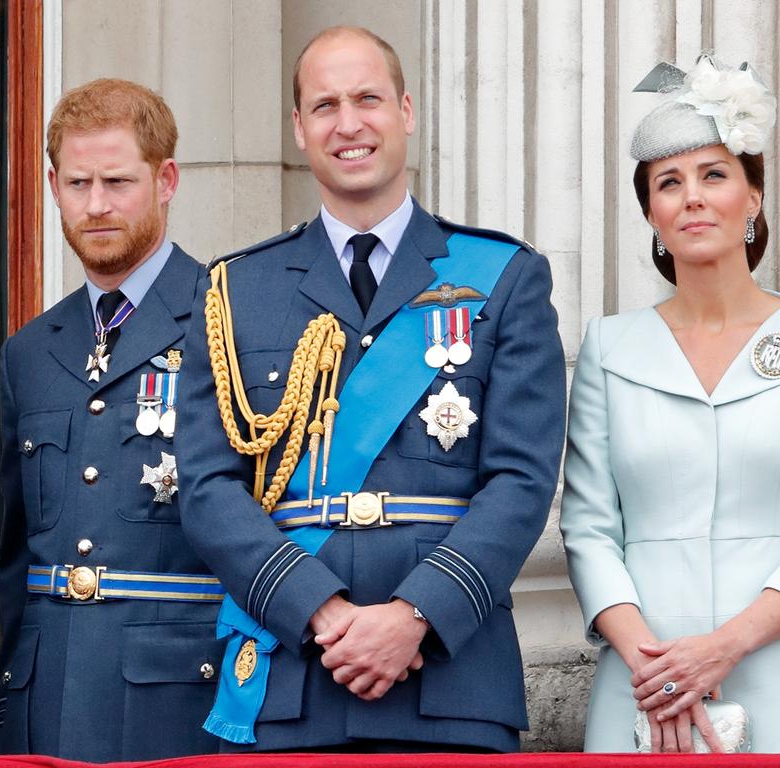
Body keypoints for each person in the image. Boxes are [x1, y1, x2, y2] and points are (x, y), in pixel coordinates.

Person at [177, 26, 565, 753]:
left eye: (368, 99)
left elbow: (521, 479)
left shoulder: (504, 276)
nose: (348, 123)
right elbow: (206, 488)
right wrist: (321, 612)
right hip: (292, 676)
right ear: (298, 128)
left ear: (407, 111)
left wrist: (416, 615)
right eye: (324, 105)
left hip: (450, 682)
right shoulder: (236, 289)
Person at [0, 78, 224, 762]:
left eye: (118, 181)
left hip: (178, 699)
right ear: (52, 185)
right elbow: (14, 561)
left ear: (166, 179)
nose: (95, 205)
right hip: (47, 695)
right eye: (77, 182)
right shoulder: (30, 350)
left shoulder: (230, 319)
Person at [560, 55, 780, 753]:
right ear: (650, 212)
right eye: (668, 183)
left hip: (771, 661)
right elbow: (588, 525)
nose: (692, 197)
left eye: (715, 175)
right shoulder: (609, 346)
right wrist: (654, 662)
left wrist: (726, 645)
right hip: (642, 681)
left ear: (752, 197)